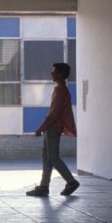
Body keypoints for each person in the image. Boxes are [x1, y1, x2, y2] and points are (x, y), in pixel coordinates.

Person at [26, 62, 80, 197]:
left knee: (53, 158)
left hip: (53, 127)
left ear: (61, 74)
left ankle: (71, 181)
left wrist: (40, 128)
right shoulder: (60, 89)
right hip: (52, 127)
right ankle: (44, 186)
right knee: (47, 157)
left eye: (54, 72)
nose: (52, 74)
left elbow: (54, 114)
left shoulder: (61, 91)